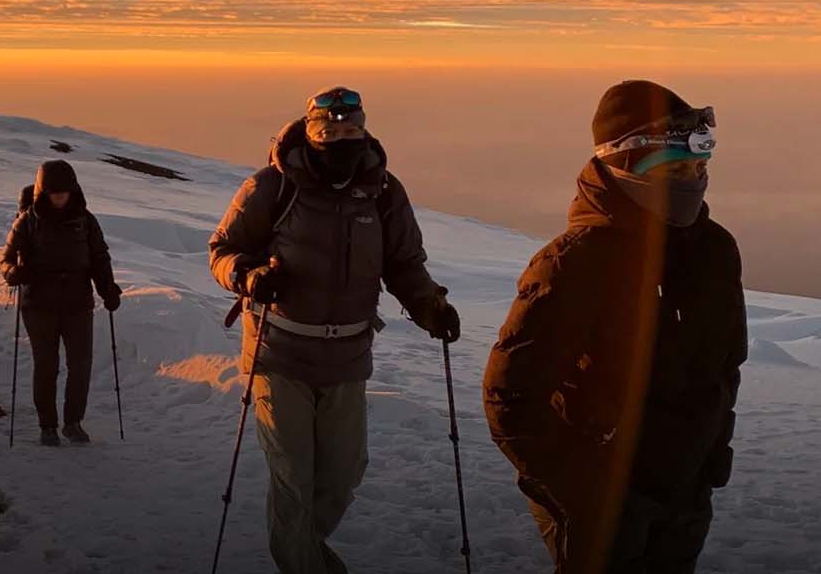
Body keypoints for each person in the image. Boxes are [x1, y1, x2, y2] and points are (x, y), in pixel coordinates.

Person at [484, 80, 745, 574]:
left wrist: (710, 459)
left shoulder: (713, 251)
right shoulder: (575, 262)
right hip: (600, 501)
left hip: (683, 493)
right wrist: (585, 490)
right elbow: (511, 398)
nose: (693, 181)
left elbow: (723, 363)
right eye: (675, 170)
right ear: (625, 169)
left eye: (699, 168)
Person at [208, 87, 459, 574]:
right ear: (311, 132)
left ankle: (304, 550)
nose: (340, 140)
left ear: (364, 130)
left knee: (342, 477)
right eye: (329, 133)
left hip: (347, 355)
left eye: (350, 131)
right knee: (293, 478)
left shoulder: (384, 191)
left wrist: (429, 306)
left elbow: (404, 263)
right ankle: (305, 564)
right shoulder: (273, 187)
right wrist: (249, 275)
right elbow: (222, 249)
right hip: (279, 352)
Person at [2, 160, 122, 447]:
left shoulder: (85, 220)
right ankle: (48, 426)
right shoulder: (27, 221)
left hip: (77, 303)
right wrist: (14, 273)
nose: (59, 197)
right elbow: (6, 261)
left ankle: (73, 422)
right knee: (47, 365)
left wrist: (108, 290)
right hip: (39, 304)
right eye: (54, 192)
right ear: (43, 191)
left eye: (64, 192)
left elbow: (99, 258)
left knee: (80, 365)